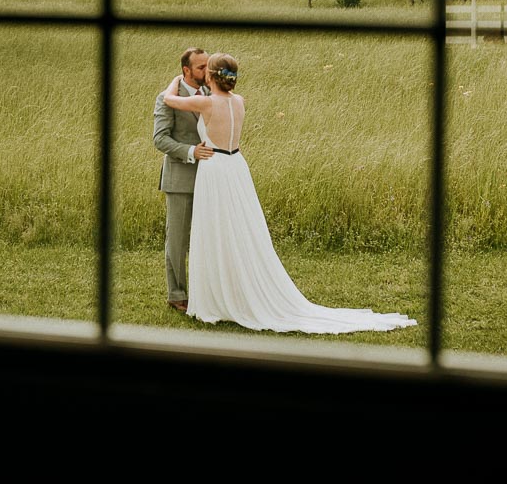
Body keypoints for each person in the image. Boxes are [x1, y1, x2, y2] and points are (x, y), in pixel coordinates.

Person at [161, 53, 416, 334]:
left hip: (215, 166)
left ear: (211, 76)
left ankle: (218, 297)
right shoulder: (239, 101)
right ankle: (233, 290)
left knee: (215, 231)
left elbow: (169, 100)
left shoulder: (206, 102)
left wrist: (174, 81)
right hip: (236, 166)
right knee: (239, 229)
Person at [152, 47, 212, 313]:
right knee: (177, 241)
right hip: (180, 178)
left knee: (206, 237)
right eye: (201, 67)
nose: (206, 71)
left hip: (211, 178)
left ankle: (204, 292)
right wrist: (190, 152)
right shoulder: (167, 98)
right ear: (186, 71)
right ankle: (177, 294)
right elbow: (160, 138)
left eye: (208, 65)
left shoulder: (212, 94)